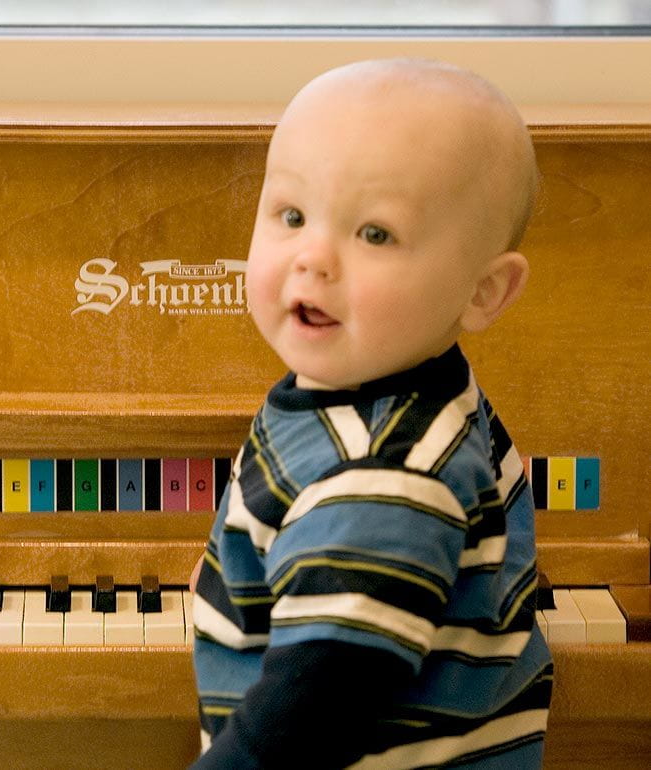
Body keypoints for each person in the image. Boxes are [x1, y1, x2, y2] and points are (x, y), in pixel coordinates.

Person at [190, 58, 553, 769]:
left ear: (483, 291)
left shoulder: (383, 474)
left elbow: (316, 709)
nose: (313, 258)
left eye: (375, 234)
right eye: (292, 215)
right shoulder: (401, 382)